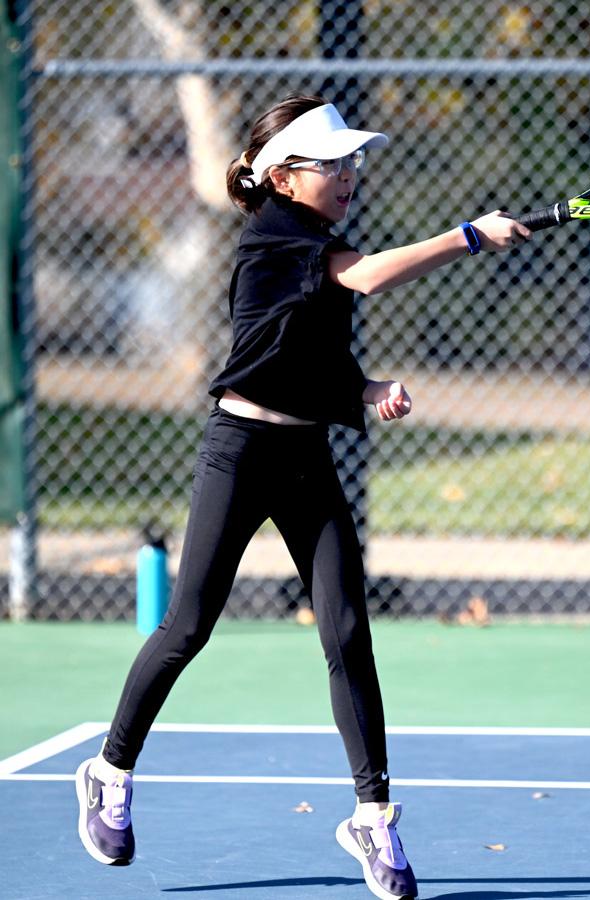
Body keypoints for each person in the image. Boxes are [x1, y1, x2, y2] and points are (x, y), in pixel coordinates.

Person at [74, 93, 530, 900]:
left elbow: (309, 353)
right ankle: (109, 771)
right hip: (240, 452)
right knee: (186, 626)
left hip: (306, 454)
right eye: (335, 163)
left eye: (356, 160)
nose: (352, 173)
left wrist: (364, 389)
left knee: (348, 629)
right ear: (283, 176)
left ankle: (373, 818)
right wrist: (468, 235)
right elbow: (372, 278)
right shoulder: (276, 237)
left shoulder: (315, 239)